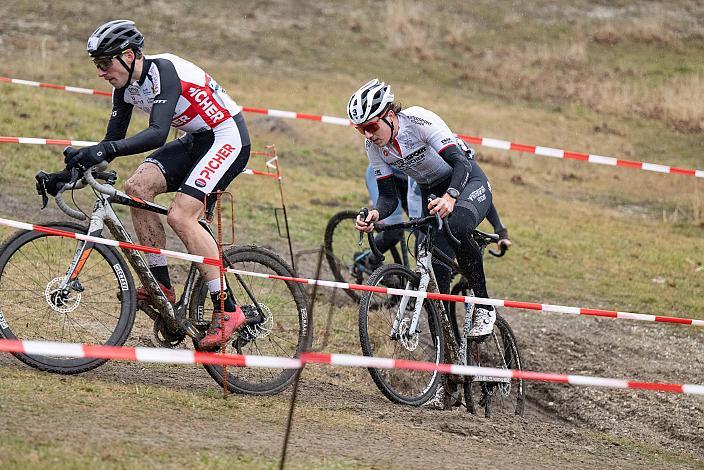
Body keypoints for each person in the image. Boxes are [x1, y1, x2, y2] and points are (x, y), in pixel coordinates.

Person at [63, 20, 250, 350]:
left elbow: (156, 134)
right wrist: (67, 174)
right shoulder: (125, 86)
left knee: (182, 216)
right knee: (137, 189)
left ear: (130, 56)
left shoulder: (164, 71)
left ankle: (228, 309)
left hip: (226, 137)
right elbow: (112, 143)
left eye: (105, 63)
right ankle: (161, 286)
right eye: (97, 65)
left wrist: (103, 150)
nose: (100, 72)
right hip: (195, 138)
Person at [350, 79, 510, 338]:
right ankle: (445, 345)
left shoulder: (418, 121)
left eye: (371, 126)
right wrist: (375, 214)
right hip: (431, 191)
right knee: (433, 266)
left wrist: (451, 196)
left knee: (456, 227)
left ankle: (484, 305)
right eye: (360, 129)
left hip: (466, 181)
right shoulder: (374, 147)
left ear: (389, 116)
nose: (368, 135)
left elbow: (460, 162)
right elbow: (388, 197)